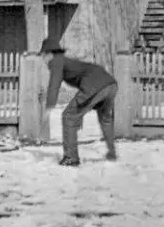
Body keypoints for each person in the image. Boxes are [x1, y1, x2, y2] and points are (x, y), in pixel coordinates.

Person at [42, 38, 119, 166]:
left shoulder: (56, 61)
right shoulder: (66, 61)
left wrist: (49, 106)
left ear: (49, 53)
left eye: (43, 55)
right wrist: (80, 115)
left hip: (95, 85)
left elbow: (54, 84)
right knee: (105, 119)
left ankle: (71, 158)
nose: (43, 59)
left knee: (68, 116)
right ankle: (112, 153)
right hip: (110, 84)